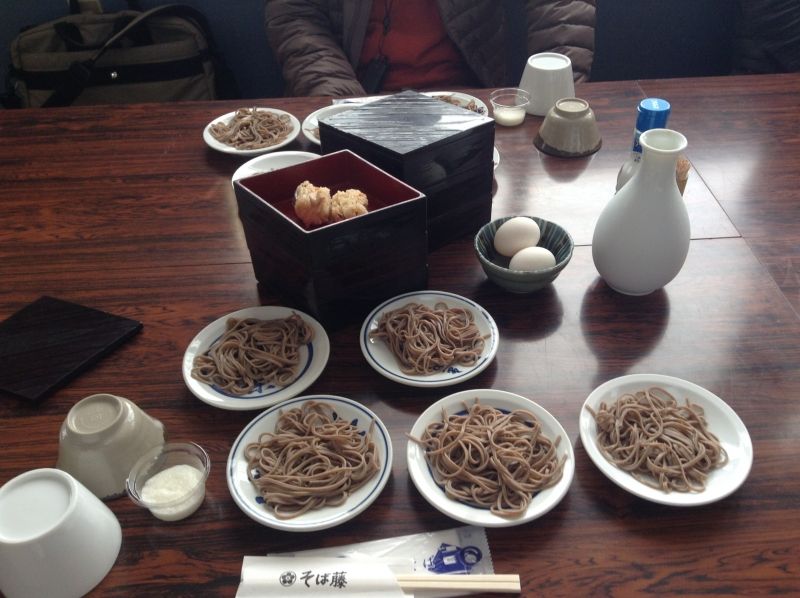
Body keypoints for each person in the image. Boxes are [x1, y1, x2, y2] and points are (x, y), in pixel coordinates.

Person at [263, 0, 596, 97]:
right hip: (358, 100)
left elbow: (561, 7)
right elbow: (294, 13)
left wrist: (558, 94)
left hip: (473, 103)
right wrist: (340, 104)